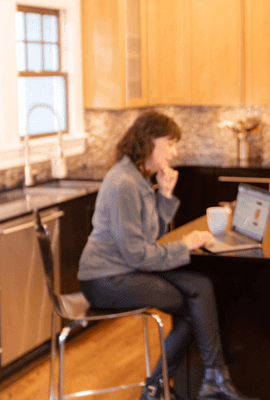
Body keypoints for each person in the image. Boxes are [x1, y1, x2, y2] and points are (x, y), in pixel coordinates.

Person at [78, 111, 258, 400]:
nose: (175, 152)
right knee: (193, 302)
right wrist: (185, 244)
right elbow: (139, 255)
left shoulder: (136, 176)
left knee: (201, 287)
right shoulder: (124, 183)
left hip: (125, 269)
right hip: (105, 279)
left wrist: (164, 194)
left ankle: (208, 379)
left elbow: (149, 238)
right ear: (150, 142)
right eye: (170, 144)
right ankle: (170, 385)